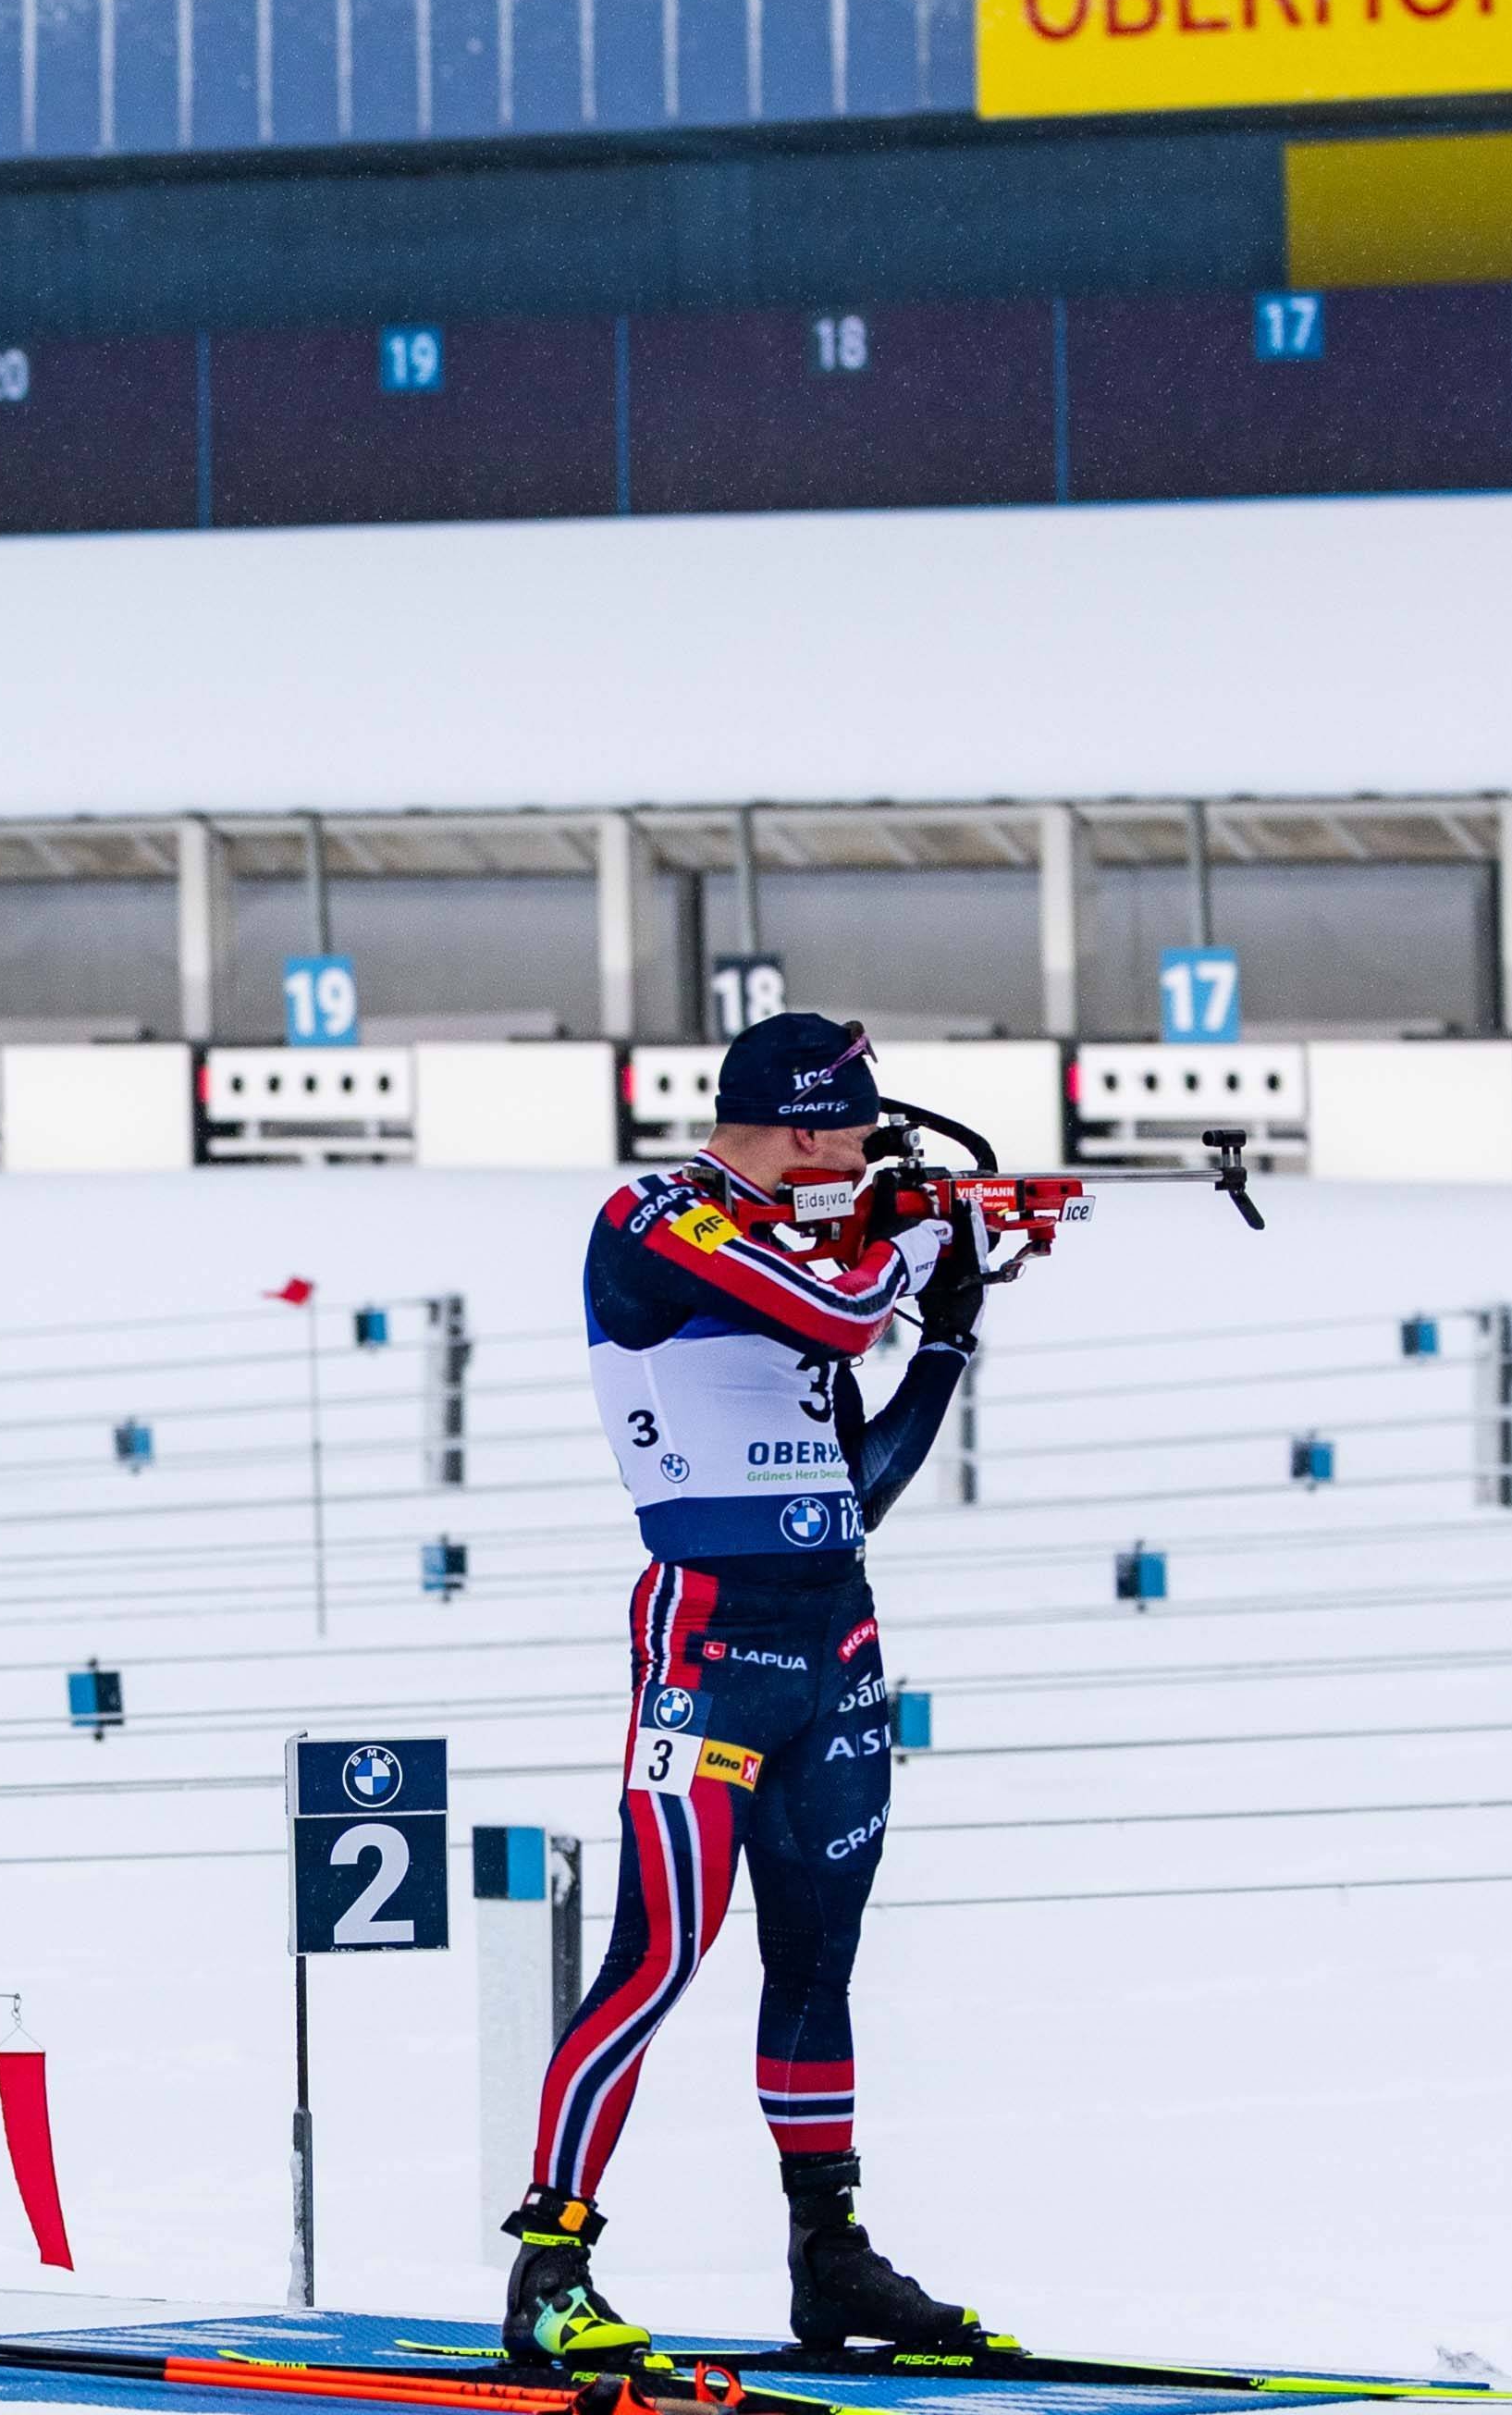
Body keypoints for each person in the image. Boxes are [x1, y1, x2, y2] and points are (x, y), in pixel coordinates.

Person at [504, 1008, 998, 2367]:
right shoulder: (655, 1219)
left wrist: (948, 1340)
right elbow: (841, 1309)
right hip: (707, 1649)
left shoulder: (801, 1250)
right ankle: (550, 2269)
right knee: (657, 1954)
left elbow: (850, 1500)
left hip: (833, 1642)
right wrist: (919, 1242)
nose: (865, 1155)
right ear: (797, 1126)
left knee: (817, 1965)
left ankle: (827, 2256)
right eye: (853, 1132)